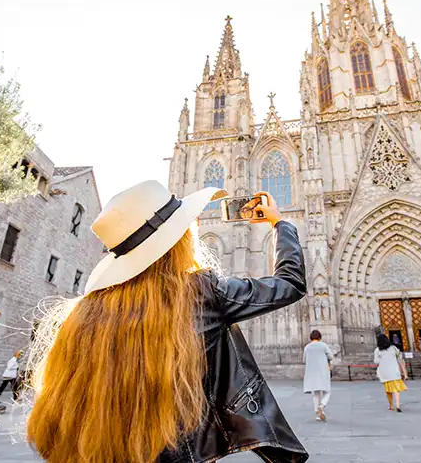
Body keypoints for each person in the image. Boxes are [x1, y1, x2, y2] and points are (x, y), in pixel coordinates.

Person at [26, 181, 309, 463]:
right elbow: (289, 284)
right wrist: (280, 224)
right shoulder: (201, 294)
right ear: (179, 240)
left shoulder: (86, 314)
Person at [303, 329, 333, 421]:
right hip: (323, 371)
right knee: (327, 391)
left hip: (312, 373)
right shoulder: (323, 345)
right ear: (319, 337)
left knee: (316, 393)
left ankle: (317, 414)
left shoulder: (307, 347)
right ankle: (322, 406)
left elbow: (304, 360)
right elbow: (330, 357)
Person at [373, 334, 408, 412]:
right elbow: (399, 358)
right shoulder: (393, 348)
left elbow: (376, 361)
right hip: (394, 370)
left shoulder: (377, 350)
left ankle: (391, 406)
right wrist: (404, 372)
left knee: (388, 389)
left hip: (385, 372)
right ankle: (398, 405)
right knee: (396, 389)